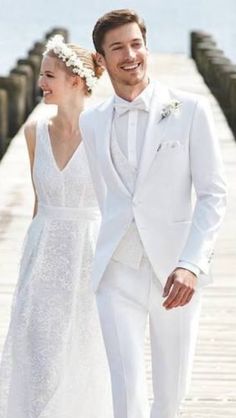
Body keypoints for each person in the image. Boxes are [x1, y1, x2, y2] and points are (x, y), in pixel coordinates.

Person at [79, 9, 227, 418]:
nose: (130, 55)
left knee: (169, 397)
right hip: (117, 271)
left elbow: (214, 195)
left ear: (146, 46)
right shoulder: (91, 123)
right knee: (126, 396)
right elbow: (105, 196)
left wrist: (192, 265)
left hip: (176, 276)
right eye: (117, 48)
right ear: (101, 60)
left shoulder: (191, 110)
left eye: (136, 44)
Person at [0, 35, 112, 418]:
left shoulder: (106, 133)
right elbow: (37, 203)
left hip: (89, 254)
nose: (40, 83)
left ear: (76, 81)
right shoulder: (34, 134)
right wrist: (28, 266)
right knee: (38, 356)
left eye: (49, 75)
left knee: (84, 354)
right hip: (43, 254)